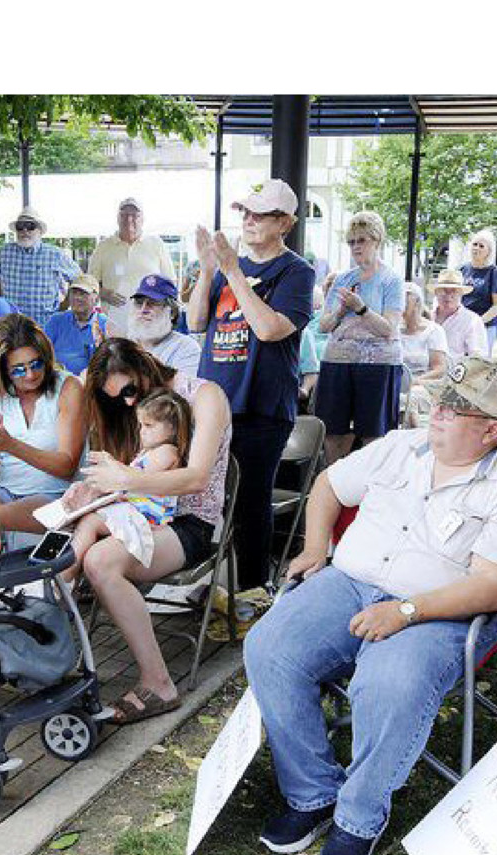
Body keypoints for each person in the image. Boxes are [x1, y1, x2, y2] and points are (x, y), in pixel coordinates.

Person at [244, 356, 497, 855]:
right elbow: (328, 486)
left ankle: (359, 819)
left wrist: (407, 611)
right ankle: (313, 793)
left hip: (442, 611)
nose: (438, 411)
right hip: (348, 583)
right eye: (441, 401)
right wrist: (316, 546)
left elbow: (494, 587)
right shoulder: (398, 447)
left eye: (456, 409)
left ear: (490, 430)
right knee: (269, 648)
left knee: (390, 682)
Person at [70, 338, 231, 724]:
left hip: (190, 522)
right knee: (78, 542)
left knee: (100, 563)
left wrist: (124, 479)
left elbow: (196, 478)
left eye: (129, 390)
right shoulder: (142, 410)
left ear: (146, 364)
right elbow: (134, 472)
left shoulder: (204, 395)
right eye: (116, 399)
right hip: (139, 513)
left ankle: (159, 684)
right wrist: (94, 488)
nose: (126, 403)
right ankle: (48, 646)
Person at [187, 179, 314, 606]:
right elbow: (196, 322)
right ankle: (214, 585)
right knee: (204, 495)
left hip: (262, 406)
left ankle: (253, 592)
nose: (248, 220)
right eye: (244, 211)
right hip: (214, 402)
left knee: (250, 502)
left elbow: (269, 328)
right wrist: (208, 269)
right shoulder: (226, 266)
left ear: (286, 223)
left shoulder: (297, 271)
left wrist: (233, 272)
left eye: (259, 214)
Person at [0, 315, 85, 540]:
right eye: (19, 370)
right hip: (4, 491)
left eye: (36, 364)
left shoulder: (68, 388)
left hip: (55, 496)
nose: (31, 375)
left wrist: (11, 445)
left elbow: (67, 467)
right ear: (3, 371)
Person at [64, 387, 191, 574]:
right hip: (134, 510)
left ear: (172, 428)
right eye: (140, 425)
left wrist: (111, 464)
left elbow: (134, 477)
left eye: (148, 426)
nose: (142, 432)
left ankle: (65, 576)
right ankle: (69, 576)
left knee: (90, 522)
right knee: (81, 519)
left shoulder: (167, 452)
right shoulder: (149, 452)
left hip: (148, 516)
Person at [315, 210, 404, 461]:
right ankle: (333, 485)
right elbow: (323, 325)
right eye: (352, 241)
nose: (356, 247)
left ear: (377, 241)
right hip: (338, 362)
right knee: (333, 431)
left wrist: (361, 308)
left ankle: (370, 492)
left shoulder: (391, 280)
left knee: (374, 433)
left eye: (362, 240)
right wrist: (342, 310)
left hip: (377, 364)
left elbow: (389, 328)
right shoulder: (342, 279)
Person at [87, 198, 172, 338]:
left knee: (148, 359)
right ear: (117, 219)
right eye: (124, 215)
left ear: (143, 219)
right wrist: (103, 293)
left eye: (135, 215)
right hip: (114, 325)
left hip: (150, 324)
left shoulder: (156, 244)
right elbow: (90, 284)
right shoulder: (104, 246)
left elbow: (170, 283)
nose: (129, 219)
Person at [0, 208, 77, 325]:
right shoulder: (3, 252)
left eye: (30, 226)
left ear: (40, 230)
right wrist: (2, 304)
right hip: (12, 323)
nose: (25, 230)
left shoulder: (55, 254)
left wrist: (65, 305)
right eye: (20, 226)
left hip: (45, 323)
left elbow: (78, 278)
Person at [126, 273, 201, 375]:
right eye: (139, 302)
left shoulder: (186, 348)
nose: (143, 309)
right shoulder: (125, 344)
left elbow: (182, 390)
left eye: (153, 303)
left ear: (172, 312)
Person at [397, 281, 449, 423]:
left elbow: (440, 368)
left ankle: (409, 436)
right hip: (398, 382)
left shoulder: (434, 331)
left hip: (425, 383)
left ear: (417, 304)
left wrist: (417, 381)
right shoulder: (394, 330)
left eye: (405, 302)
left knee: (409, 399)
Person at [44, 274, 107, 375]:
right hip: (56, 379)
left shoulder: (104, 325)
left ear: (96, 298)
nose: (77, 297)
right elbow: (43, 353)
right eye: (74, 293)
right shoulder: (56, 321)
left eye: (83, 293)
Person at [430, 270, 489, 361]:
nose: (448, 296)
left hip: (454, 371)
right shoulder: (426, 316)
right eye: (444, 291)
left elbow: (478, 357)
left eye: (454, 291)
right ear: (436, 292)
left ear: (461, 293)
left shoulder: (472, 320)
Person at [460, 229, 497, 339]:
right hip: (462, 324)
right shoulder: (462, 269)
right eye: (474, 244)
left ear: (489, 251)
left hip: (484, 326)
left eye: (481, 246)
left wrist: (478, 322)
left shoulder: (495, 272)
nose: (476, 248)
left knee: (479, 356)